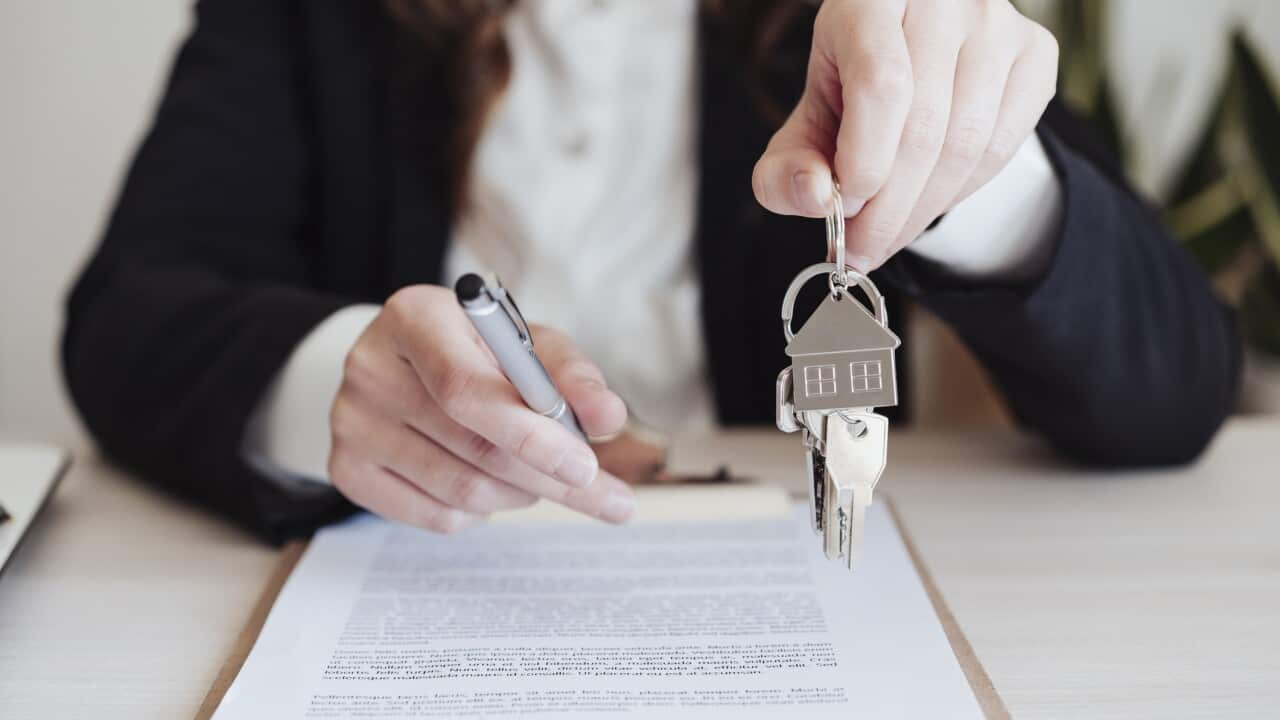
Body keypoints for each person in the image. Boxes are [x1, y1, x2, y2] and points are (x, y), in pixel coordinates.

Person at [62, 0, 1239, 543]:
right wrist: (336, 380)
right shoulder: (305, 21)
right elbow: (127, 312)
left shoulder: (859, 16)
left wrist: (965, 164)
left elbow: (1176, 383)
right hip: (429, 580)